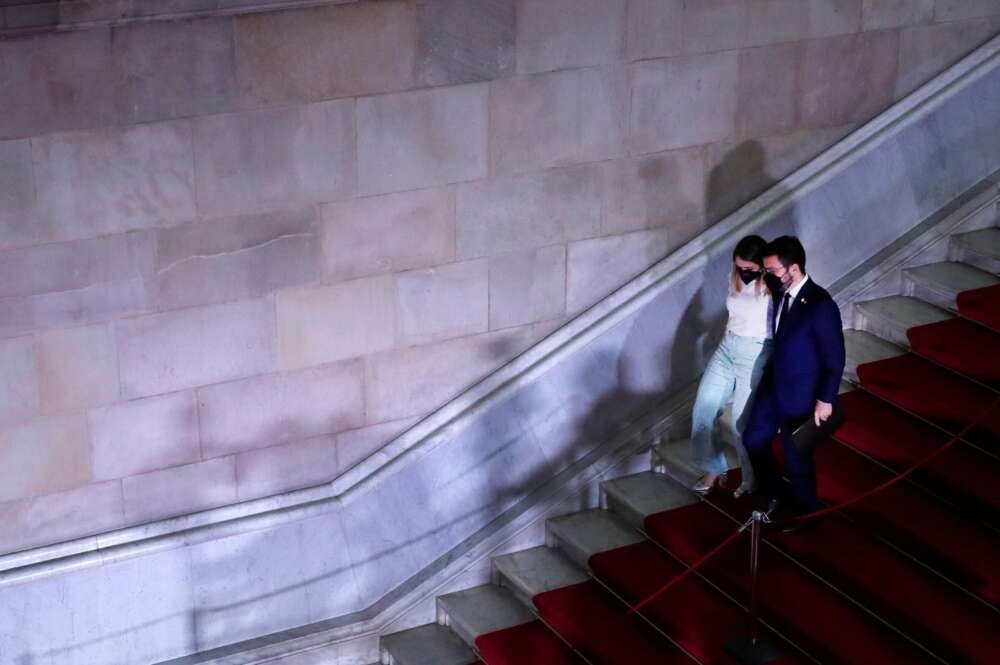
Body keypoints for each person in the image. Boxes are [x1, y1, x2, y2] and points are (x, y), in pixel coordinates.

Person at [741, 236, 846, 534]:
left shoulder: (821, 304)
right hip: (773, 386)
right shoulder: (778, 287)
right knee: (753, 439)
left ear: (794, 269)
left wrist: (825, 399)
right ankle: (776, 492)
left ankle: (808, 514)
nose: (767, 275)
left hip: (803, 395)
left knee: (797, 457)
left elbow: (834, 357)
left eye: (772, 270)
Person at [690, 235, 774, 498]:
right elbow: (735, 313)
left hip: (756, 350)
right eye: (739, 267)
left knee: (741, 422)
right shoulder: (735, 278)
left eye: (750, 269)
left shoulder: (772, 285)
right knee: (703, 408)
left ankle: (751, 481)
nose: (743, 273)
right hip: (728, 347)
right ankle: (713, 467)